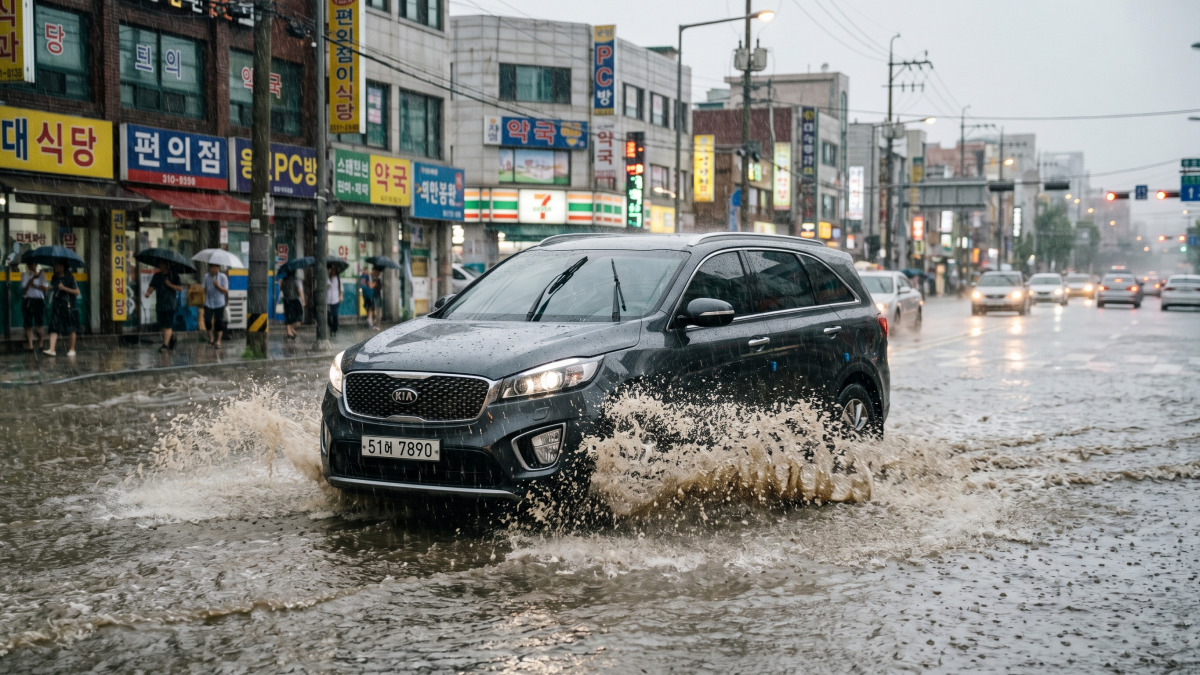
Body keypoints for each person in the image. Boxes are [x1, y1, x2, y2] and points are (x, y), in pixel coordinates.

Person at [43, 261, 80, 357]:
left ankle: (72, 348)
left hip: (69, 305)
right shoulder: (54, 277)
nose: (56, 267)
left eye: (58, 265)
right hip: (57, 305)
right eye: (55, 265)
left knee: (71, 327)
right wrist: (50, 288)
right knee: (54, 326)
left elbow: (77, 291)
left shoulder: (70, 278)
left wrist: (64, 288)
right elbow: (54, 288)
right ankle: (52, 349)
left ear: (63, 267)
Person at [145, 261, 182, 350]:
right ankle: (171, 338)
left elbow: (180, 288)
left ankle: (164, 345)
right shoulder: (157, 276)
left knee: (167, 325)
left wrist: (170, 285)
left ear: (167, 265)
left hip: (170, 304)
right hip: (160, 304)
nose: (160, 266)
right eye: (159, 264)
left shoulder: (174, 275)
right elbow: (152, 286)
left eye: (162, 264)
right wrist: (148, 293)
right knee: (162, 326)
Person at [21, 261, 49, 351]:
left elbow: (45, 289)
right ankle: (30, 345)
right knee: (28, 323)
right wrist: (32, 279)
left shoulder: (42, 275)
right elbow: (24, 289)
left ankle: (41, 344)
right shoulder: (25, 275)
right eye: (29, 264)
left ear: (36, 265)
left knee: (39, 324)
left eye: (33, 264)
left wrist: (35, 285)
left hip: (39, 300)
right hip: (28, 300)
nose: (31, 266)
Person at [202, 263, 229, 349]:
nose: (213, 269)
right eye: (211, 267)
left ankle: (218, 341)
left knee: (219, 322)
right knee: (207, 320)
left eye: (214, 268)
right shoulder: (206, 276)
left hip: (219, 303)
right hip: (208, 302)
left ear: (218, 268)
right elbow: (204, 289)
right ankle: (211, 338)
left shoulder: (223, 277)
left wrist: (218, 286)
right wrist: (202, 299)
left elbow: (226, 290)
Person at [280, 268, 305, 339]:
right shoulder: (296, 280)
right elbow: (300, 291)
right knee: (299, 317)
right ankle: (290, 329)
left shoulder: (284, 280)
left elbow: (281, 289)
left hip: (286, 300)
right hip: (295, 300)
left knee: (288, 316)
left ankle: (290, 331)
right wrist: (303, 300)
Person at [326, 263, 343, 337]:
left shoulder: (338, 278)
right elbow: (327, 286)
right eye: (332, 270)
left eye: (334, 270)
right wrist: (330, 278)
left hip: (336, 299)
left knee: (335, 315)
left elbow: (341, 288)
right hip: (328, 300)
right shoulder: (327, 277)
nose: (333, 271)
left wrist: (341, 296)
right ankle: (331, 327)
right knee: (328, 316)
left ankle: (335, 330)